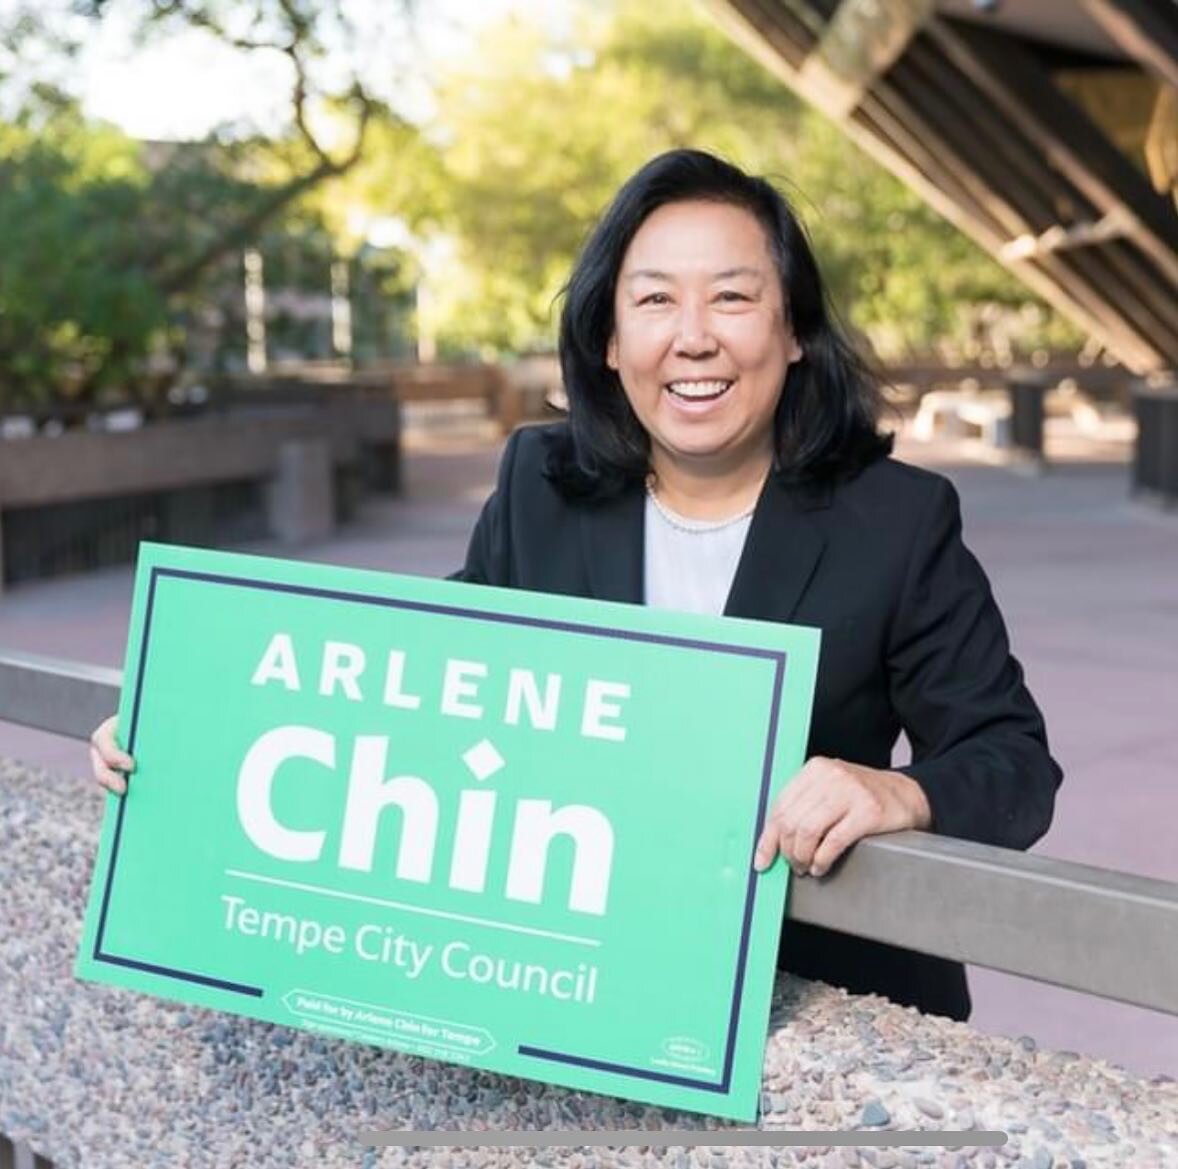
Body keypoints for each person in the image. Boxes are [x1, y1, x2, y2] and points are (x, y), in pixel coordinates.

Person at [92, 148, 1062, 1021]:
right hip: (567, 989)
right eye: (652, 301)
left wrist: (899, 790)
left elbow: (1012, 761)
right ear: (605, 338)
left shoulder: (894, 518)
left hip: (810, 1001)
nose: (692, 338)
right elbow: (407, 696)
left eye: (731, 297)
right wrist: (186, 728)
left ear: (795, 330)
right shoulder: (536, 488)